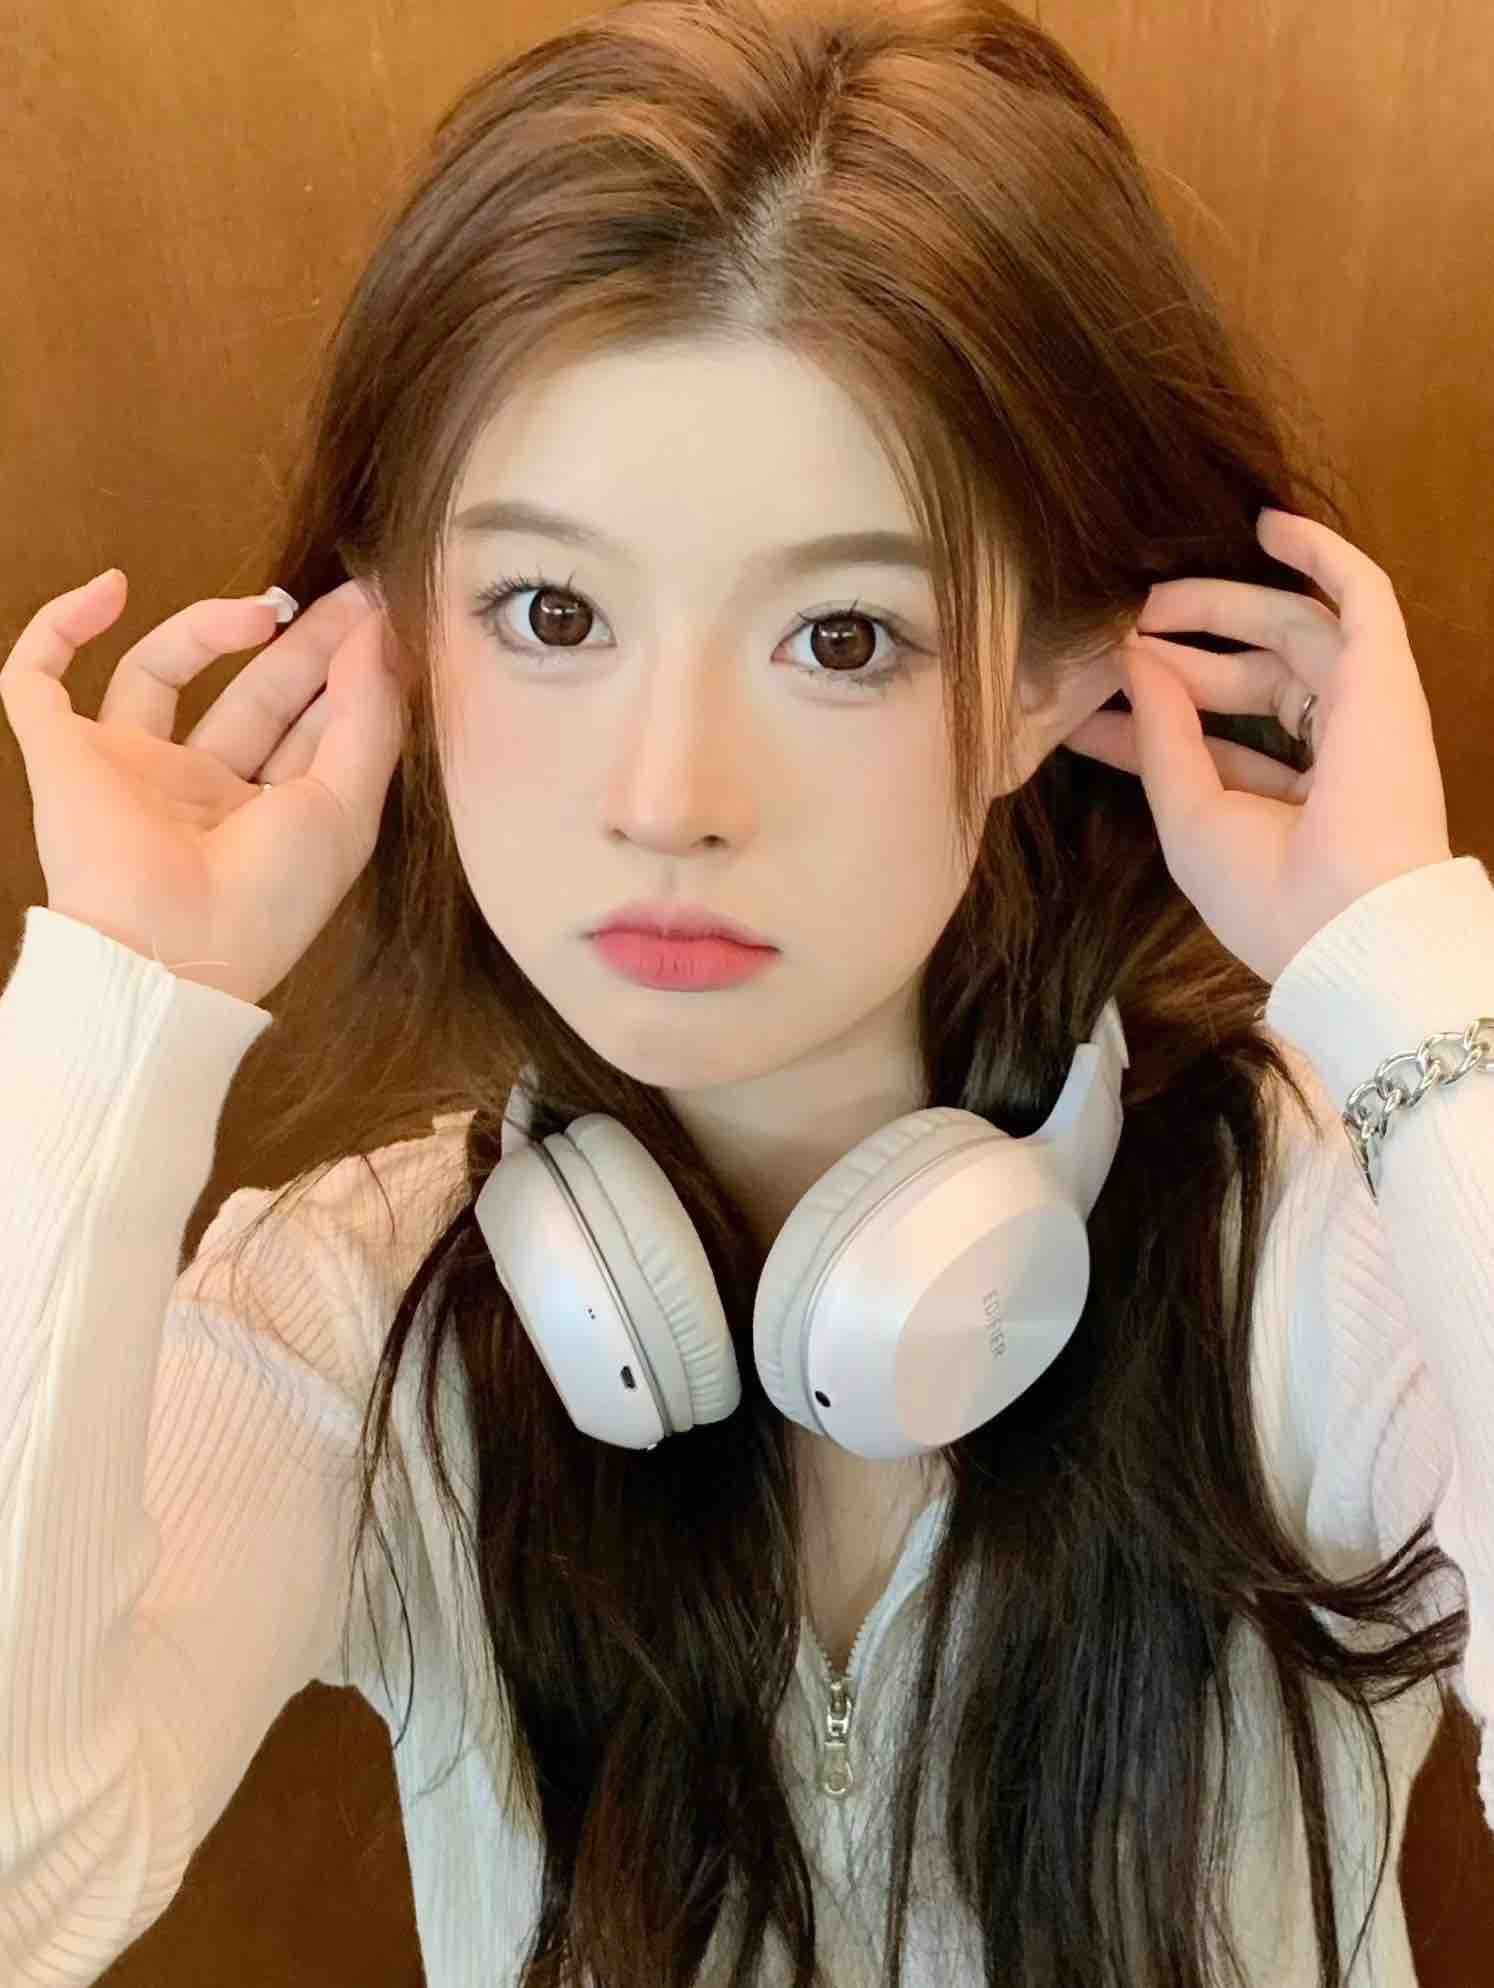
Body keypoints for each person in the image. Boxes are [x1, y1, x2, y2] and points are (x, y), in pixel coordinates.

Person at [3, 1, 1490, 1983]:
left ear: (1063, 675)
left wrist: (1406, 991)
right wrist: (123, 1004)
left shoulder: (1332, 1246)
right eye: (552, 613)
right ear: (399, 642)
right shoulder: (360, 1312)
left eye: (843, 635)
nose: (666, 796)